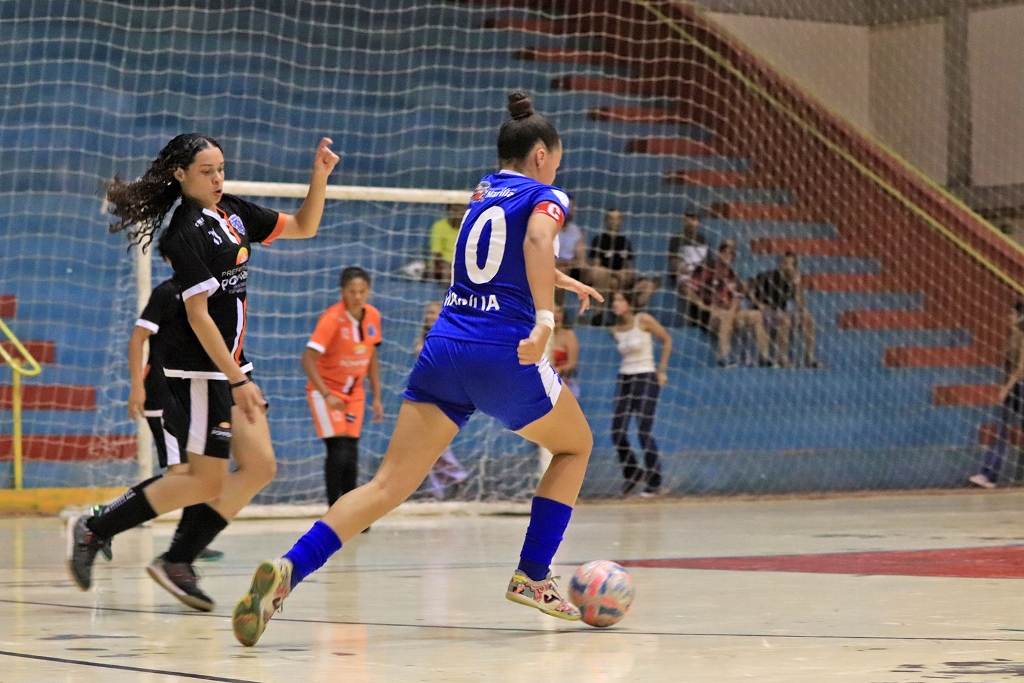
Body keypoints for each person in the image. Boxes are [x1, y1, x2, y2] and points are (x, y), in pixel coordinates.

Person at [231, 92, 603, 647]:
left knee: (386, 485)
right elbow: (537, 240)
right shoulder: (548, 195)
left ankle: (290, 569)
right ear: (543, 157)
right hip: (502, 350)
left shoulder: (482, 191)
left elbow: (499, 261)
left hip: (444, 346)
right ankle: (533, 573)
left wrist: (561, 281)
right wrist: (547, 319)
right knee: (575, 447)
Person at [67, 133, 338, 612]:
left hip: (231, 363)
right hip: (201, 370)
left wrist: (320, 176)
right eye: (207, 171)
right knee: (203, 480)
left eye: (221, 169)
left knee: (260, 466)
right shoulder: (183, 232)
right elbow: (198, 316)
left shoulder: (231, 212)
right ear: (181, 174)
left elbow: (303, 225)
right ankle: (96, 527)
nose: (218, 178)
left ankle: (177, 558)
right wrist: (237, 379)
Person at [120, 263, 222, 563]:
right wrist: (137, 387)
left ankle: (187, 541)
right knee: (180, 474)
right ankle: (107, 517)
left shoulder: (208, 296)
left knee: (200, 473)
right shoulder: (168, 293)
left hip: (190, 397)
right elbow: (138, 338)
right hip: (162, 396)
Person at [301, 267, 385, 507]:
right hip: (326, 391)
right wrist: (326, 395)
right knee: (338, 451)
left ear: (368, 291)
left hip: (355, 393)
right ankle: (334, 511)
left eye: (362, 291)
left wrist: (376, 397)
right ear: (342, 292)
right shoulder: (332, 319)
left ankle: (351, 511)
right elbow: (307, 359)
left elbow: (371, 358)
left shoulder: (373, 316)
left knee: (352, 453)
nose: (357, 296)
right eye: (352, 291)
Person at [609, 290, 672, 496]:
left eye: (619, 300)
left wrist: (661, 370)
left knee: (643, 431)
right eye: (613, 301)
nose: (615, 304)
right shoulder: (615, 329)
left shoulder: (643, 320)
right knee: (617, 431)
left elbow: (667, 340)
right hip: (625, 377)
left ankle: (655, 482)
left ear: (629, 303)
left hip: (646, 376)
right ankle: (633, 472)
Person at [413, 301, 469, 500]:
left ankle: (454, 478)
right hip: (426, 392)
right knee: (428, 443)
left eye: (433, 312)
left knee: (433, 441)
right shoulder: (424, 338)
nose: (429, 316)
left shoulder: (449, 336)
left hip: (444, 393)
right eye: (427, 312)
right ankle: (442, 486)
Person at [687, 240, 772, 368]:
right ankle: (724, 357)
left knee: (756, 315)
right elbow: (688, 290)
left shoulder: (732, 275)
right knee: (727, 316)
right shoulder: (706, 268)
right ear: (719, 253)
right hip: (706, 315)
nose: (728, 255)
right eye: (725, 252)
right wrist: (703, 305)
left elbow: (737, 298)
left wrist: (732, 311)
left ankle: (764, 357)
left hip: (727, 315)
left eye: (731, 253)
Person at [970, 301, 1024, 489]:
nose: (1008, 318)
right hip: (1015, 387)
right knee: (1001, 431)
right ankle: (988, 474)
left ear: (1020, 317)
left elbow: (1021, 369)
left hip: (1018, 387)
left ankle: (988, 474)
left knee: (1002, 430)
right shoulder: (1014, 337)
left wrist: (1005, 388)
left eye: (1012, 314)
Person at [749, 252, 821, 368]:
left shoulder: (791, 282)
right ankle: (782, 358)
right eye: (786, 263)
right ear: (781, 263)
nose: (788, 266)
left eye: (792, 264)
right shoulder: (767, 276)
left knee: (809, 318)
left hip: (780, 313)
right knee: (785, 319)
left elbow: (801, 306)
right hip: (764, 312)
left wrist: (797, 285)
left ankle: (810, 358)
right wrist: (760, 305)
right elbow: (751, 293)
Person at [586, 208, 657, 314]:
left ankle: (631, 313)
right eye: (611, 218)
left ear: (621, 221)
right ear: (606, 221)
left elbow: (629, 266)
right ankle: (599, 315)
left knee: (648, 286)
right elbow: (596, 268)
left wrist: (628, 274)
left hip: (624, 280)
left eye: (617, 218)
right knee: (608, 279)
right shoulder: (599, 240)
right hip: (607, 279)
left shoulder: (625, 241)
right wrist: (617, 274)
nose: (614, 221)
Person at [538, 304, 581, 476]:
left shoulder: (568, 335)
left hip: (564, 386)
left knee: (561, 433)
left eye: (559, 312)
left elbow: (572, 364)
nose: (556, 315)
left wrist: (556, 370)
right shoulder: (540, 335)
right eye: (553, 311)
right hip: (543, 388)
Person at [429, 203, 468, 281]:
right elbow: (437, 253)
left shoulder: (471, 227)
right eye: (455, 210)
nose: (458, 214)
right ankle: (447, 292)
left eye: (462, 211)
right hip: (446, 262)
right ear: (449, 211)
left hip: (465, 261)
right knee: (448, 271)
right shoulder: (439, 226)